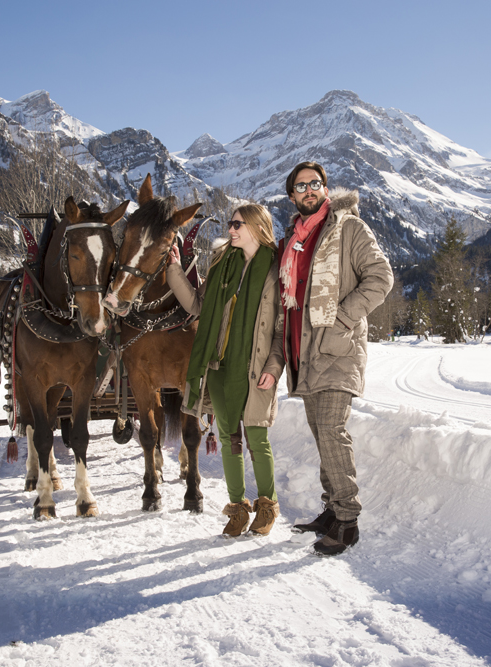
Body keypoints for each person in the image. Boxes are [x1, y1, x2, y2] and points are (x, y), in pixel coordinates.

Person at [280, 161, 393, 556]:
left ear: (325, 189)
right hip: (306, 353)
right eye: (300, 186)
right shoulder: (294, 241)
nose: (308, 190)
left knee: (331, 429)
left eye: (315, 184)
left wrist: (342, 318)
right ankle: (330, 510)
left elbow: (380, 277)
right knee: (321, 434)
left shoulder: (349, 228)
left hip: (338, 349)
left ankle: (347, 520)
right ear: (292, 195)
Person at [166, 204, 285, 537]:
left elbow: (281, 327)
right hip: (219, 367)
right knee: (229, 438)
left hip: (256, 368)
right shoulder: (222, 263)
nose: (230, 229)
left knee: (256, 436)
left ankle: (267, 505)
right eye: (231, 224)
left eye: (237, 224)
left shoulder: (276, 270)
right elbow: (197, 306)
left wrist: (274, 367)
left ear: (258, 228)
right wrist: (175, 270)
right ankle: (237, 510)